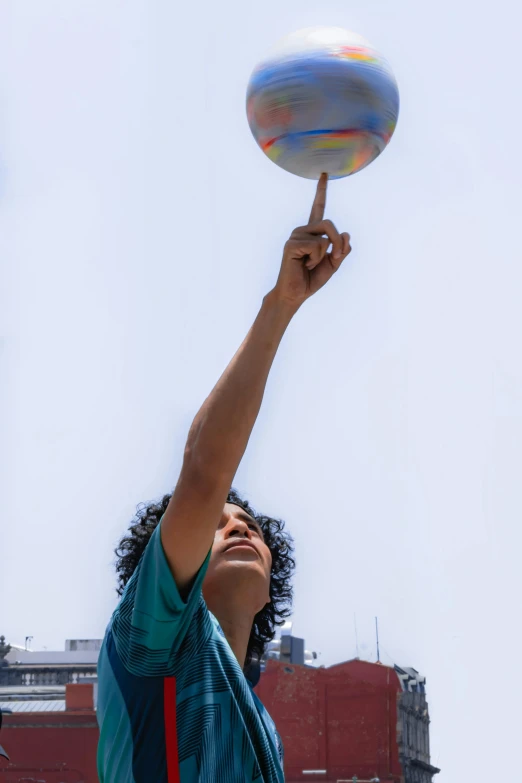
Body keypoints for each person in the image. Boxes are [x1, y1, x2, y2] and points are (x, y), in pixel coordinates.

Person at [96, 174, 351, 783]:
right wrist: (281, 304)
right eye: (214, 523)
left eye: (250, 526)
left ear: (270, 587)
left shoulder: (264, 734)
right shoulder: (154, 640)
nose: (235, 526)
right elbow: (206, 470)